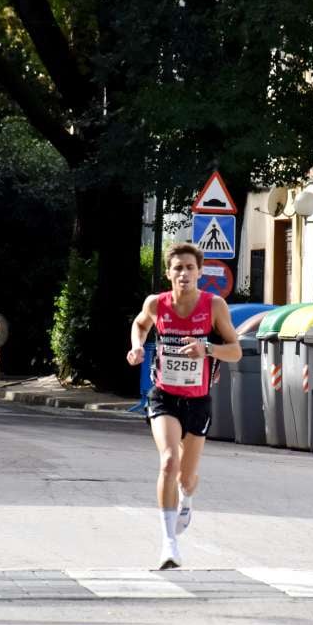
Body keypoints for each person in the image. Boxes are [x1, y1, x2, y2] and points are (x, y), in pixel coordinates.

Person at [128, 243, 241, 570]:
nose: (184, 274)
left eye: (190, 268)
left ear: (199, 272)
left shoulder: (214, 305)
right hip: (164, 394)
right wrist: (137, 348)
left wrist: (207, 349)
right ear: (168, 273)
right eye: (177, 268)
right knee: (168, 461)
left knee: (187, 477)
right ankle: (169, 544)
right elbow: (139, 325)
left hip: (198, 399)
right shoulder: (156, 304)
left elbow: (235, 351)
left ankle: (187, 499)